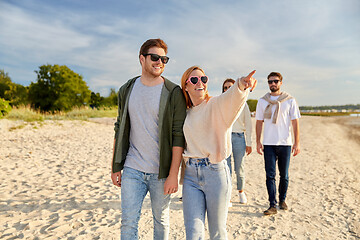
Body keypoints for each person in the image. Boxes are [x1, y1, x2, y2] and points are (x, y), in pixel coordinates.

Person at [111, 38, 187, 240]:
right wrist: (115, 166)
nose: (159, 62)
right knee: (128, 221)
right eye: (155, 57)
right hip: (132, 168)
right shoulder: (126, 89)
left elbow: (178, 136)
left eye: (164, 59)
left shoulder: (173, 93)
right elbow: (119, 128)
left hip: (160, 173)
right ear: (141, 59)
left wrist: (173, 175)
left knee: (161, 221)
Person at [180, 66, 257, 239]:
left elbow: (232, 98)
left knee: (217, 232)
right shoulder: (185, 112)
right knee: (193, 233)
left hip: (215, 173)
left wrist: (242, 85)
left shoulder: (216, 104)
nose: (200, 83)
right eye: (194, 80)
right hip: (191, 175)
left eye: (204, 79)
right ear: (185, 86)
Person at [255, 72, 300, 216]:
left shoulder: (290, 101)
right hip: (268, 143)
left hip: (285, 143)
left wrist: (297, 143)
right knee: (270, 175)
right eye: (270, 81)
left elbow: (295, 122)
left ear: (281, 82)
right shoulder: (263, 101)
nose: (272, 84)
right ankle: (272, 204)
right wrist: (257, 141)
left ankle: (282, 200)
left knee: (284, 175)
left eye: (275, 81)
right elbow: (258, 122)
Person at [222, 78, 252, 205]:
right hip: (225, 138)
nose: (228, 89)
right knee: (226, 168)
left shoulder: (243, 103)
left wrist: (249, 143)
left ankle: (241, 191)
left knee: (239, 168)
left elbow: (249, 124)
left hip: (239, 138)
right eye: (225, 88)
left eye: (230, 87)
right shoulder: (221, 103)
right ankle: (227, 196)